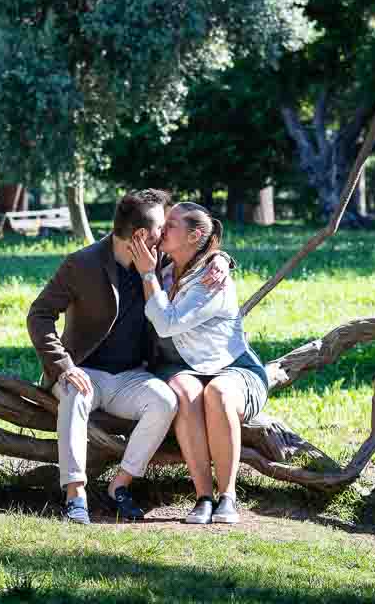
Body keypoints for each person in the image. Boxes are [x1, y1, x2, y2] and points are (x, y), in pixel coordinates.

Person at [27, 189, 230, 524]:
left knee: (165, 401)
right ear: (140, 235)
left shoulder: (158, 261)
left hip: (131, 376)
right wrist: (63, 366)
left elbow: (197, 251)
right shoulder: (83, 263)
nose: (166, 235)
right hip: (83, 371)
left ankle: (119, 486)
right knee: (76, 393)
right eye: (161, 229)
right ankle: (75, 496)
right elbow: (39, 315)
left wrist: (222, 260)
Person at [130, 202, 268, 525]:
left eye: (172, 224)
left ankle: (227, 497)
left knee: (218, 393)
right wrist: (222, 256)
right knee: (183, 390)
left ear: (194, 236)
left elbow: (167, 323)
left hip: (233, 368)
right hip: (184, 368)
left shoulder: (212, 280)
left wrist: (148, 275)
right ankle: (203, 496)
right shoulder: (166, 265)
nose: (163, 229)